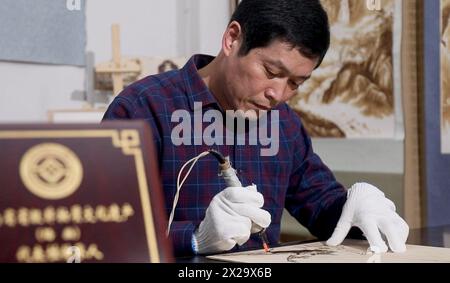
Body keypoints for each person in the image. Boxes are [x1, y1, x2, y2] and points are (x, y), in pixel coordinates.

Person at [103, 0, 409, 256]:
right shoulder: (143, 108)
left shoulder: (283, 121)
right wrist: (193, 238)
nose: (278, 94)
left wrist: (353, 212)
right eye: (271, 71)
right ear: (232, 39)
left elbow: (319, 202)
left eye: (295, 83)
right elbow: (105, 231)